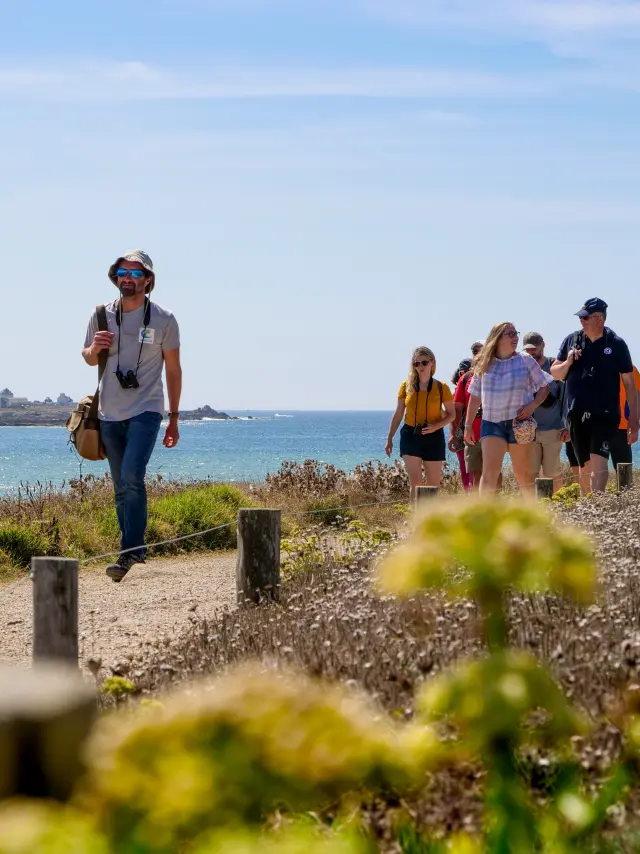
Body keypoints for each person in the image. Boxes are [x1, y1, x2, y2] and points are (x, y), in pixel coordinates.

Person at [82, 250, 182, 582]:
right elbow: (87, 358)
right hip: (109, 412)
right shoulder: (100, 315)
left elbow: (173, 369)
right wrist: (94, 348)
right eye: (122, 273)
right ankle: (132, 549)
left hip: (147, 409)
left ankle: (129, 551)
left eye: (136, 274)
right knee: (120, 486)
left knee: (132, 477)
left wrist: (174, 418)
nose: (128, 278)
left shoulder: (164, 319)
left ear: (148, 280)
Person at [551, 298, 638, 494]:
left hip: (605, 413)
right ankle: (588, 506)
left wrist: (634, 419)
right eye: (580, 317)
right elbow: (556, 373)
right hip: (576, 412)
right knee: (585, 466)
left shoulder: (616, 344)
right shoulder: (571, 340)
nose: (581, 321)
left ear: (599, 319)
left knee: (599, 462)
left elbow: (630, 385)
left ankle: (597, 503)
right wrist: (569, 361)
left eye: (585, 317)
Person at [464, 322, 550, 495]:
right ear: (497, 338)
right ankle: (484, 519)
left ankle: (532, 517)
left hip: (519, 424)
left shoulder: (525, 359)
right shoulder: (484, 363)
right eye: (510, 334)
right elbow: (474, 397)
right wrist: (467, 426)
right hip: (491, 423)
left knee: (523, 475)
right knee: (489, 474)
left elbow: (544, 386)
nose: (516, 337)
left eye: (515, 333)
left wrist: (532, 406)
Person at [386, 347, 455, 497]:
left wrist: (435, 427)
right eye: (416, 364)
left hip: (434, 436)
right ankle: (415, 518)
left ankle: (429, 519)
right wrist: (390, 437)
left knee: (432, 486)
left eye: (424, 363)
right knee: (416, 484)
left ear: (432, 363)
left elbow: (451, 415)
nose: (420, 367)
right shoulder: (406, 386)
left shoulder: (441, 387)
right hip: (410, 434)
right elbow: (398, 413)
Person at [521, 332, 570, 494]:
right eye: (528, 350)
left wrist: (567, 426)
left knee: (552, 472)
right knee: (531, 472)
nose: (531, 352)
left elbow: (566, 398)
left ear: (543, 345)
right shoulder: (522, 368)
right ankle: (533, 507)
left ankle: (559, 502)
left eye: (534, 348)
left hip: (553, 428)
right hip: (529, 430)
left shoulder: (554, 366)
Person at [449, 359, 473, 491]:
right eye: (462, 372)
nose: (463, 375)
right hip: (460, 434)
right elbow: (452, 417)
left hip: (473, 432)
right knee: (465, 472)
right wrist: (452, 435)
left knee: (473, 471)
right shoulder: (454, 394)